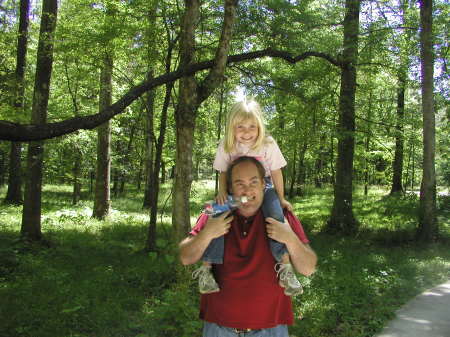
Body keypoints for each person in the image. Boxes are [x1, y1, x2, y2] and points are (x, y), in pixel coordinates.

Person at [179, 156, 317, 337]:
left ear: (263, 185)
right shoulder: (215, 212)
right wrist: (207, 233)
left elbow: (308, 268)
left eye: (253, 182)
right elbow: (185, 256)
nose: (248, 190)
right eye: (239, 184)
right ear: (229, 188)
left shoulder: (281, 217)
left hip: (271, 329)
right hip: (218, 329)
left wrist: (290, 238)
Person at [194, 99, 302, 296]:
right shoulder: (228, 145)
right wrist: (221, 192)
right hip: (237, 194)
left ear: (259, 126)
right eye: (240, 127)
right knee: (217, 215)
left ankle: (285, 268)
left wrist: (281, 197)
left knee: (275, 215)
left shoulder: (267, 144)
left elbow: (276, 172)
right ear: (232, 128)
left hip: (264, 188)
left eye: (252, 126)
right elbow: (224, 172)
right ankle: (206, 270)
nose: (246, 132)